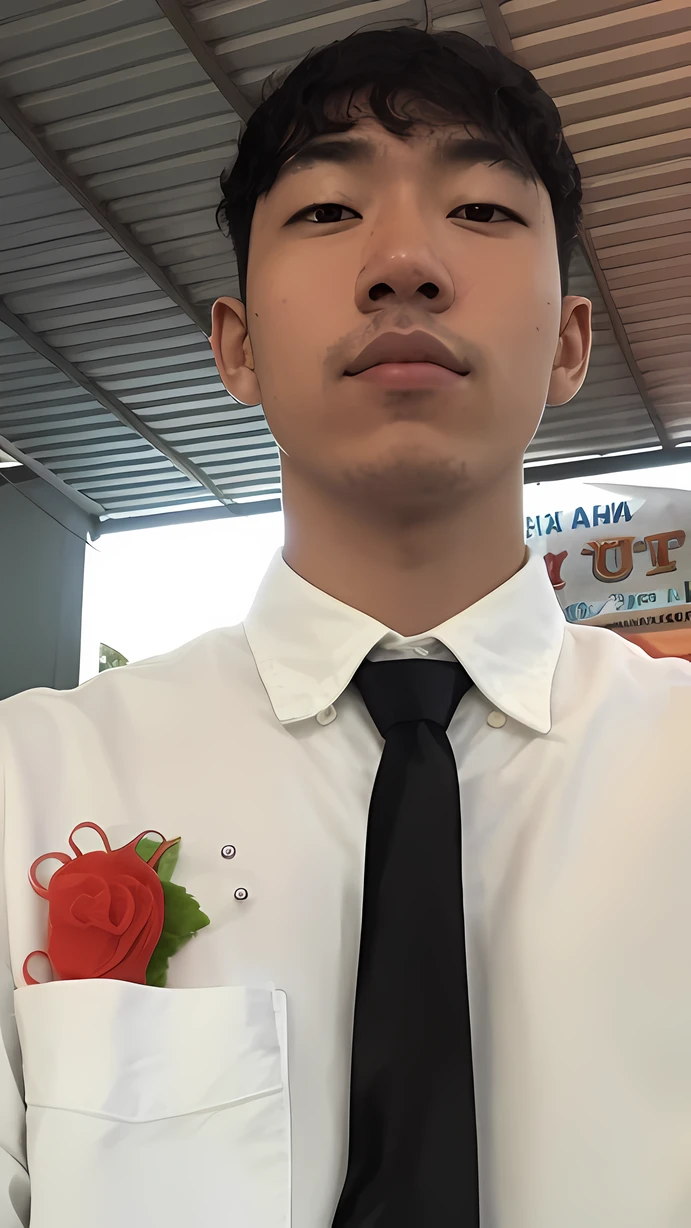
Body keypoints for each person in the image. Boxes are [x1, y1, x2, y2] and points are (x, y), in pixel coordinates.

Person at [1, 23, 689, 1228]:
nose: (405, 262)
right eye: (325, 212)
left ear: (572, 342)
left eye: (480, 210)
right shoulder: (31, 783)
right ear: (237, 347)